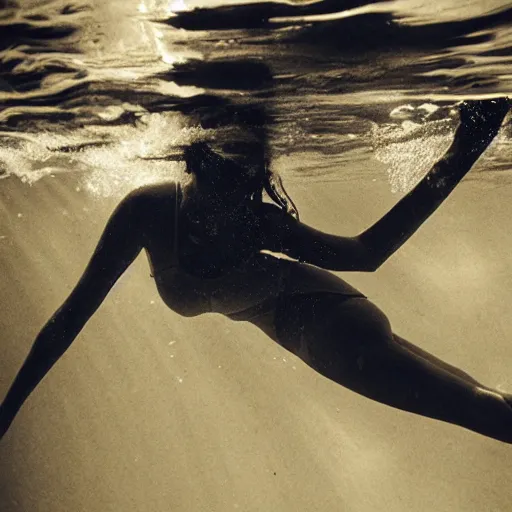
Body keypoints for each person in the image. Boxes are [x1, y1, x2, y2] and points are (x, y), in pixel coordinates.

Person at [1, 98, 511, 443]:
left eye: (241, 186)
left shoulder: (257, 222)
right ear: (193, 162)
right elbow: (69, 319)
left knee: (481, 413)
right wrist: (8, 411)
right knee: (489, 405)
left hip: (331, 328)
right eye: (219, 182)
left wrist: (464, 149)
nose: (225, 206)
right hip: (317, 328)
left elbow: (366, 253)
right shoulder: (146, 213)